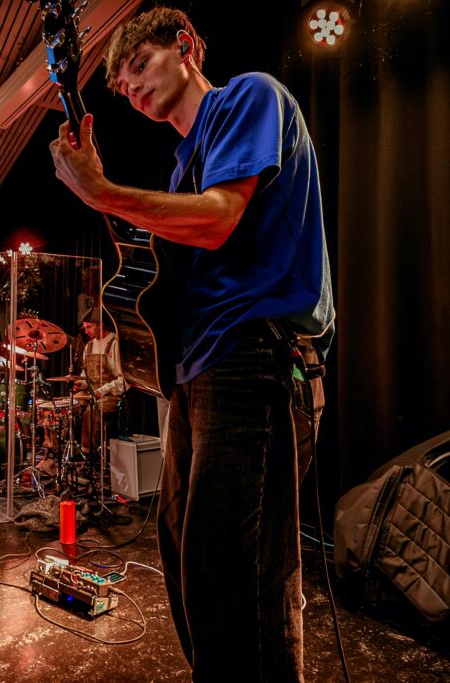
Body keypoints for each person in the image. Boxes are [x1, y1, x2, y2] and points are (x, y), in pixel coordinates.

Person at [50, 7, 334, 681]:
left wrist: (102, 193)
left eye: (139, 65)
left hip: (254, 355)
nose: (132, 88)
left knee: (234, 574)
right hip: (199, 371)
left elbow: (219, 219)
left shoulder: (249, 97)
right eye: (122, 86)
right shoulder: (182, 166)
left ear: (186, 47)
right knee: (187, 554)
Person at [72, 307, 125, 458]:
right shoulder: (88, 346)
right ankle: (59, 452)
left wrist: (103, 390)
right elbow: (86, 375)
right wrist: (80, 384)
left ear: (100, 325)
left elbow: (123, 380)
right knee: (67, 405)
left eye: (89, 327)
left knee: (92, 411)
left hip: (112, 395)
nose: (86, 331)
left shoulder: (115, 343)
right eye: (84, 328)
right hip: (92, 393)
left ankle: (90, 456)